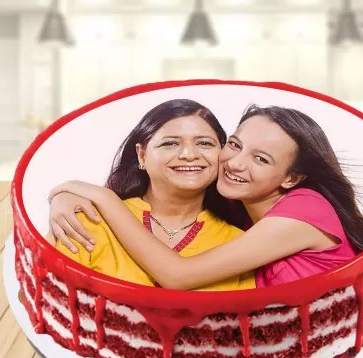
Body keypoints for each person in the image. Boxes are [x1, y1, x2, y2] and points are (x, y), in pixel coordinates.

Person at [49, 104, 363, 290]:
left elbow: (178, 276)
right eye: (234, 145)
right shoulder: (239, 210)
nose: (234, 163)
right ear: (141, 154)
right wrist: (63, 196)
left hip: (333, 347)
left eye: (261, 159)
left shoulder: (303, 210)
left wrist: (104, 199)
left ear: (292, 177)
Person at [47, 98, 256, 291]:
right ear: (142, 155)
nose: (189, 155)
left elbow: (247, 325)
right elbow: (51, 305)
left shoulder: (238, 243)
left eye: (204, 143)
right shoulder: (87, 222)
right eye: (170, 143)